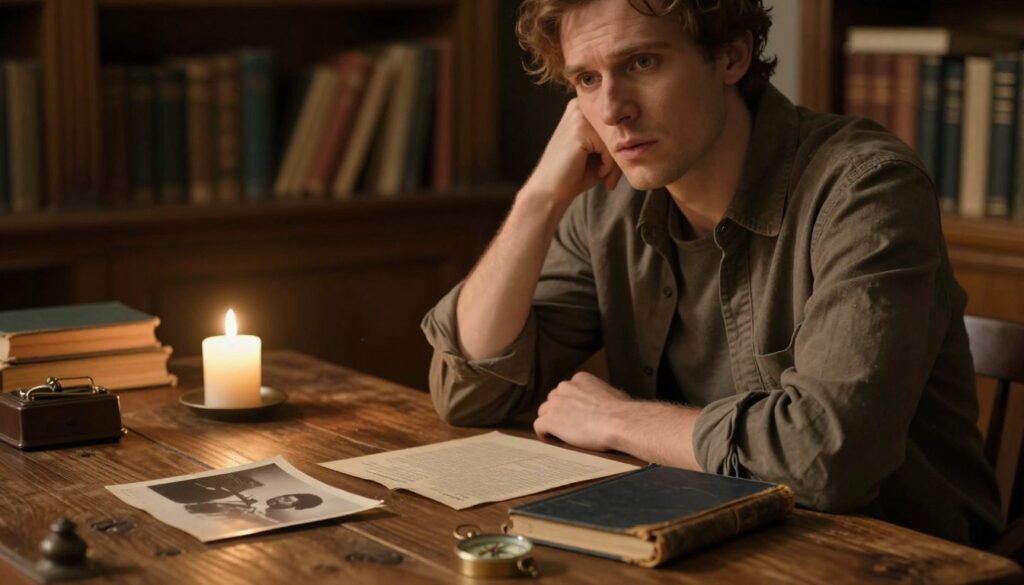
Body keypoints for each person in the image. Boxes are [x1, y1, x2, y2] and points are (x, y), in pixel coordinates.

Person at [421, 0, 1004, 546]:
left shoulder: (865, 188)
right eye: (587, 80)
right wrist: (539, 199)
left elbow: (826, 458)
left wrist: (619, 420)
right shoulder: (607, 203)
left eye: (642, 62)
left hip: (887, 553)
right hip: (702, 538)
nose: (611, 111)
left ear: (731, 55)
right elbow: (472, 392)